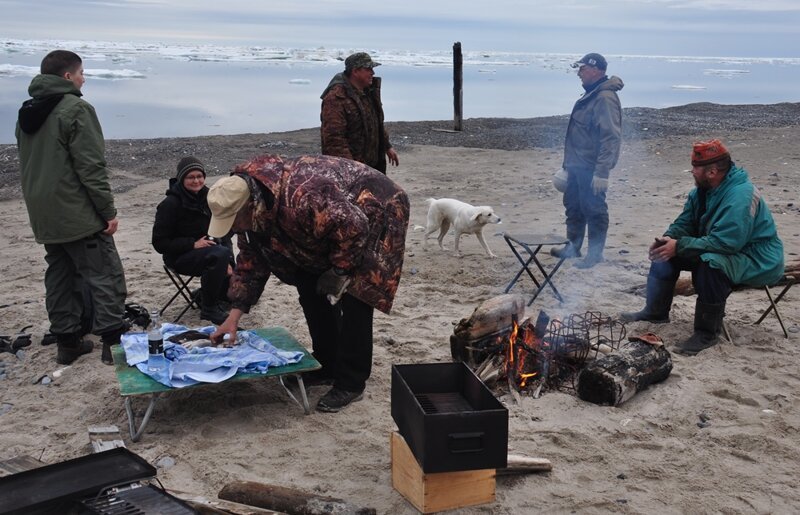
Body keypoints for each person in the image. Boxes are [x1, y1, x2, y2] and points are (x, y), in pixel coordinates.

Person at [207, 154, 409, 412]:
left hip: (377, 209)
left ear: (249, 206)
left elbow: (354, 227)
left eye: (233, 221)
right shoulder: (253, 210)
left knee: (358, 292)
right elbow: (250, 264)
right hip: (332, 221)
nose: (233, 229)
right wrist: (233, 318)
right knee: (309, 283)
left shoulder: (303, 197)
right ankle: (326, 363)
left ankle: (351, 381)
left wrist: (339, 270)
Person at [16, 50, 128, 366]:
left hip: (44, 212)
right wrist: (107, 211)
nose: (84, 78)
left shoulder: (28, 111)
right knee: (104, 273)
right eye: (81, 73)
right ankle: (112, 345)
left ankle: (67, 343)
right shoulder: (76, 108)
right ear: (67, 76)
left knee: (61, 275)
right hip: (76, 211)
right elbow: (91, 166)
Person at [620, 140, 784, 355]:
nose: (692, 172)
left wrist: (680, 246)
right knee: (665, 252)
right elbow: (685, 222)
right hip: (724, 247)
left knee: (711, 263)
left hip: (756, 257)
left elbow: (728, 243)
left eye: (695, 168)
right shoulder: (702, 191)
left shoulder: (740, 195)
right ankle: (655, 312)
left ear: (712, 172)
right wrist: (669, 239)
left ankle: (707, 333)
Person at [551, 52, 623, 269]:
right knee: (573, 206)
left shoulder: (604, 98)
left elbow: (610, 137)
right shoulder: (591, 94)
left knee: (594, 208)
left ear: (596, 70)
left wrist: (602, 172)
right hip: (577, 165)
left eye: (582, 69)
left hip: (591, 167)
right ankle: (572, 247)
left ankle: (595, 254)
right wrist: (568, 165)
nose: (579, 73)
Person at [152, 156, 234, 325]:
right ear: (182, 179)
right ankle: (209, 309)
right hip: (180, 257)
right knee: (218, 256)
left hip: (214, 252)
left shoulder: (210, 198)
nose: (196, 181)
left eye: (199, 176)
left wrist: (229, 261)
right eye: (191, 177)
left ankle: (202, 294)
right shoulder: (170, 204)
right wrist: (192, 244)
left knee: (241, 289)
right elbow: (159, 243)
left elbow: (225, 233)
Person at [320, 52, 399, 173]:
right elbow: (334, 140)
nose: (372, 73)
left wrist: (387, 146)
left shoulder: (368, 93)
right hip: (351, 170)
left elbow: (377, 124)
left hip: (372, 167)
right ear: (355, 71)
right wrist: (352, 169)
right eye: (368, 69)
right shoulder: (336, 98)